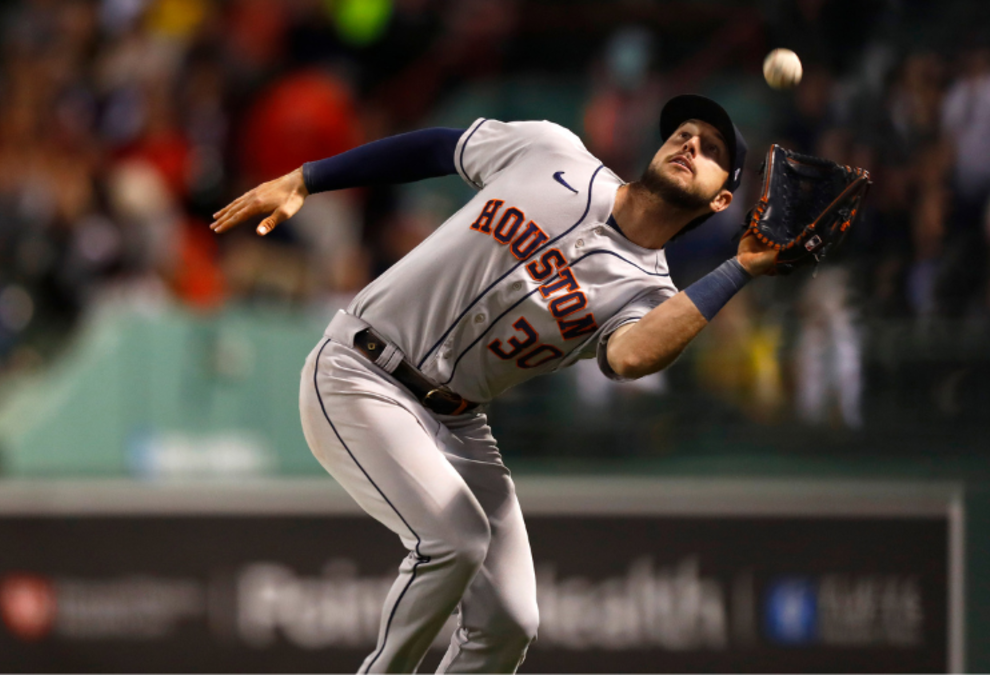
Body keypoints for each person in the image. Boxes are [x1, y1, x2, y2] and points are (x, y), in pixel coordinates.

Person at [211, 94, 778, 673]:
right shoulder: (554, 152)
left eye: (711, 150)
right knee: (453, 542)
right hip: (361, 368)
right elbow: (439, 147)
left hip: (458, 420)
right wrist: (310, 178)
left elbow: (630, 356)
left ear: (722, 198)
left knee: (511, 620)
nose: (690, 145)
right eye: (684, 132)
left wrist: (741, 268)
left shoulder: (651, 297)